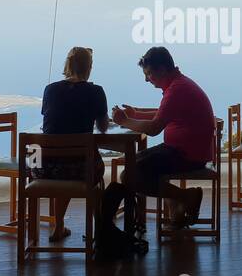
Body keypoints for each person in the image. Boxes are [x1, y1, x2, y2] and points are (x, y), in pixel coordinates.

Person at [109, 47, 214, 229]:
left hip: (186, 155)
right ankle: (176, 203)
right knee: (131, 163)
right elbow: (162, 114)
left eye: (149, 74)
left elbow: (154, 128)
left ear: (162, 70)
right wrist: (137, 114)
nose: (146, 79)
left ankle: (185, 197)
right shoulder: (179, 84)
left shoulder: (177, 90)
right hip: (184, 150)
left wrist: (126, 121)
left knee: (129, 175)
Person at [39, 46, 110, 242]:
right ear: (90, 67)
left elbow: (50, 120)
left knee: (65, 161)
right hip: (82, 169)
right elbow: (103, 128)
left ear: (68, 65)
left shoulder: (50, 89)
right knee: (92, 171)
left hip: (46, 168)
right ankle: (101, 229)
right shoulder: (96, 91)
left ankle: (59, 226)